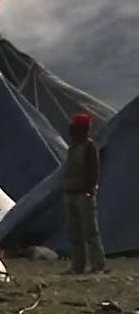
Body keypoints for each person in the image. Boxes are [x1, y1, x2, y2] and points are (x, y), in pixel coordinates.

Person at [63, 112, 105, 274]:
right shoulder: (72, 148)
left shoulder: (89, 148)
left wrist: (90, 188)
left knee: (90, 231)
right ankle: (78, 264)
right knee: (74, 232)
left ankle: (97, 263)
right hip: (70, 192)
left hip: (83, 193)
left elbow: (93, 171)